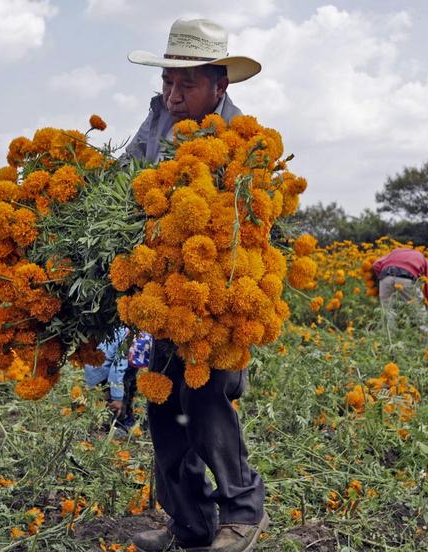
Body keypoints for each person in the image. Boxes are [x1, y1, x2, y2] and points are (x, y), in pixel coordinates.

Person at [125, 17, 268, 552]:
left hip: (221, 298)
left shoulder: (244, 141)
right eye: (168, 81)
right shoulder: (158, 118)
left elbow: (253, 223)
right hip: (160, 295)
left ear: (219, 85)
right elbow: (126, 176)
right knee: (163, 406)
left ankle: (243, 511)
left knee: (207, 397)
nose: (173, 94)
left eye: (187, 84)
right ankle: (190, 524)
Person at [371, 247, 428, 332]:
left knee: (387, 313)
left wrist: (382, 281)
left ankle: (389, 340)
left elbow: (375, 265)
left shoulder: (395, 252)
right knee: (418, 311)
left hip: (385, 277)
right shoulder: (421, 257)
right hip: (406, 277)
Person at [84, 327, 134, 429]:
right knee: (117, 400)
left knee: (129, 382)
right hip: (102, 374)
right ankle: (116, 425)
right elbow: (116, 370)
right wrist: (117, 398)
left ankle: (104, 417)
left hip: (94, 369)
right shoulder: (129, 341)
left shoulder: (124, 328)